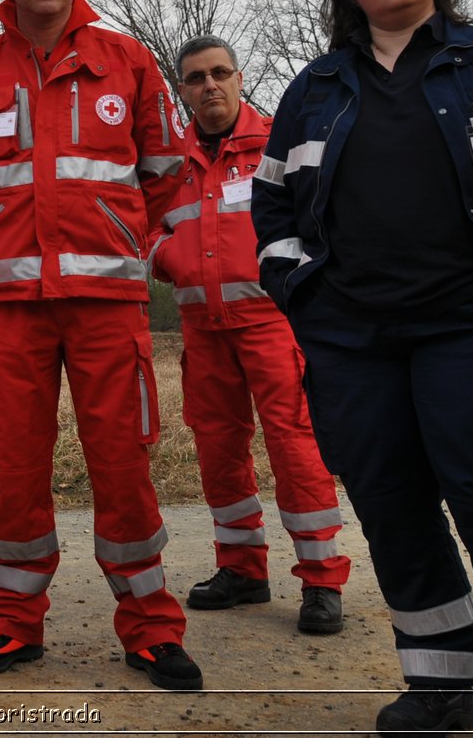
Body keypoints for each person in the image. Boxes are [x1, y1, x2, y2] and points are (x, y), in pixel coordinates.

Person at [253, 0, 473, 734]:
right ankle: (443, 681)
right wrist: (299, 285)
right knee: (389, 497)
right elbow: (272, 198)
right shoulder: (315, 87)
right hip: (353, 335)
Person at [0, 0, 202, 691]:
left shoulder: (127, 61)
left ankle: (150, 626)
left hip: (107, 303)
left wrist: (115, 235)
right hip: (9, 303)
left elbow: (166, 171)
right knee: (11, 466)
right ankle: (13, 623)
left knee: (123, 464)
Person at [147, 35, 350, 634]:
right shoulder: (169, 162)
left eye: (219, 74)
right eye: (194, 78)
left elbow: (319, 222)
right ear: (181, 89)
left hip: (271, 323)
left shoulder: (274, 146)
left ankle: (321, 580)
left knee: (294, 444)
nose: (208, 85)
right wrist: (171, 257)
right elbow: (145, 229)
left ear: (238, 78)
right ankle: (241, 568)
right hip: (200, 327)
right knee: (216, 447)